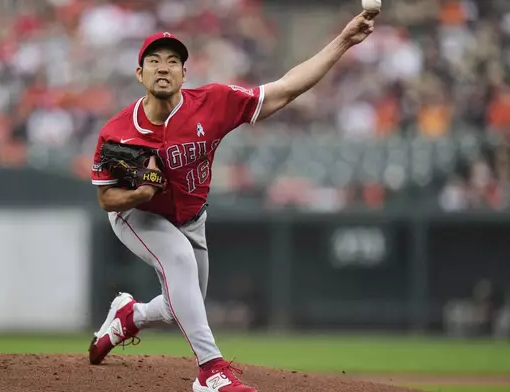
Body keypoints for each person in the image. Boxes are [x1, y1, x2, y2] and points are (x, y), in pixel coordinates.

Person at [88, 11, 379, 392]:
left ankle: (130, 316)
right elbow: (106, 197)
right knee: (178, 261)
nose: (164, 67)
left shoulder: (212, 103)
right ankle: (210, 371)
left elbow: (285, 89)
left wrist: (343, 41)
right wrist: (139, 193)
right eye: (154, 61)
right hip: (136, 213)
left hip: (191, 217)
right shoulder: (119, 132)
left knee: (184, 304)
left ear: (184, 74)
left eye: (173, 61)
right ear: (139, 74)